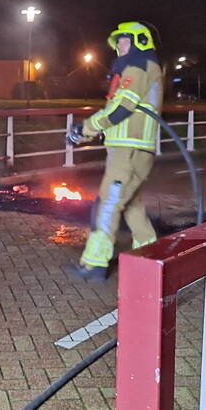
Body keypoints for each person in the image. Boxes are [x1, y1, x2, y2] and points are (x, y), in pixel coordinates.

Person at [66, 21, 163, 281]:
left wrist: (87, 128)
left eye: (124, 40)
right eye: (118, 41)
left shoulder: (139, 65)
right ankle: (149, 256)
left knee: (107, 204)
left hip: (129, 150)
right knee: (131, 206)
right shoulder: (141, 66)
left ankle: (94, 264)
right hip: (134, 149)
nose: (119, 46)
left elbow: (123, 106)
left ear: (139, 41)